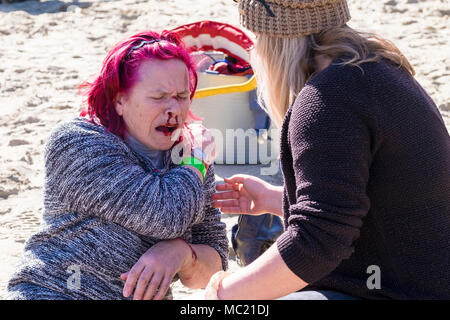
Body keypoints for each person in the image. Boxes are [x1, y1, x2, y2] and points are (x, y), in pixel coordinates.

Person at [209, 0, 450, 300]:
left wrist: (223, 295)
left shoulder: (326, 98)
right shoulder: (376, 68)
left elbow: (318, 242)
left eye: (256, 37)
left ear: (274, 40)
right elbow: (369, 201)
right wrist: (274, 199)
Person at [6, 30, 228, 300]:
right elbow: (165, 215)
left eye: (182, 96)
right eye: (159, 97)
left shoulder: (189, 157)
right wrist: (196, 161)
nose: (174, 109)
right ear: (119, 99)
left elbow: (213, 267)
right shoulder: (78, 142)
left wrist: (181, 254)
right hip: (53, 292)